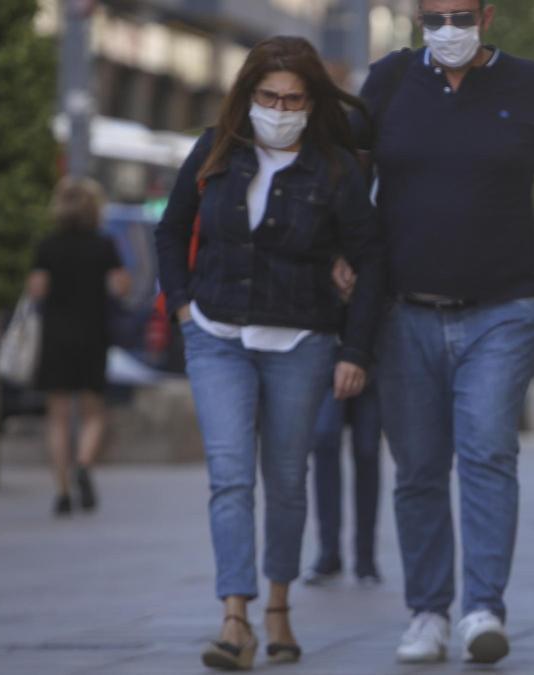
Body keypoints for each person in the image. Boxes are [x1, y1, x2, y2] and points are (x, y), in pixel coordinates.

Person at [348, 0, 534, 664]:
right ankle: (428, 611)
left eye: (461, 15)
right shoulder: (385, 82)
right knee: (417, 468)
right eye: (433, 16)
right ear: (414, 18)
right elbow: (348, 184)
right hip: (404, 311)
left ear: (486, 16)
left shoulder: (530, 85)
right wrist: (337, 260)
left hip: (503, 309)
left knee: (489, 451)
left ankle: (483, 608)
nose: (448, 29)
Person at [154, 36, 385, 671]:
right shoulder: (216, 150)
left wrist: (356, 349)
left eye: (292, 99)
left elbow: (371, 258)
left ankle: (278, 605)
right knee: (230, 477)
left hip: (301, 342)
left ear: (312, 104)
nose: (279, 109)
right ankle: (236, 618)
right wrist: (181, 307)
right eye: (267, 97)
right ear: (247, 94)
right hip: (217, 336)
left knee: (285, 481)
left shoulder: (336, 169)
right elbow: (171, 230)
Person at [27, 177, 130, 517]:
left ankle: (61, 492)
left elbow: (37, 290)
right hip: (92, 333)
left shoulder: (48, 246)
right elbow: (121, 286)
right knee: (93, 412)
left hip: (56, 335)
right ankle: (84, 463)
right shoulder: (104, 245)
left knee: (56, 417)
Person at [304, 380, 383, 587]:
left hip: (370, 365)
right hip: (327, 369)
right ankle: (329, 553)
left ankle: (366, 558)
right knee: (324, 440)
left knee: (367, 451)